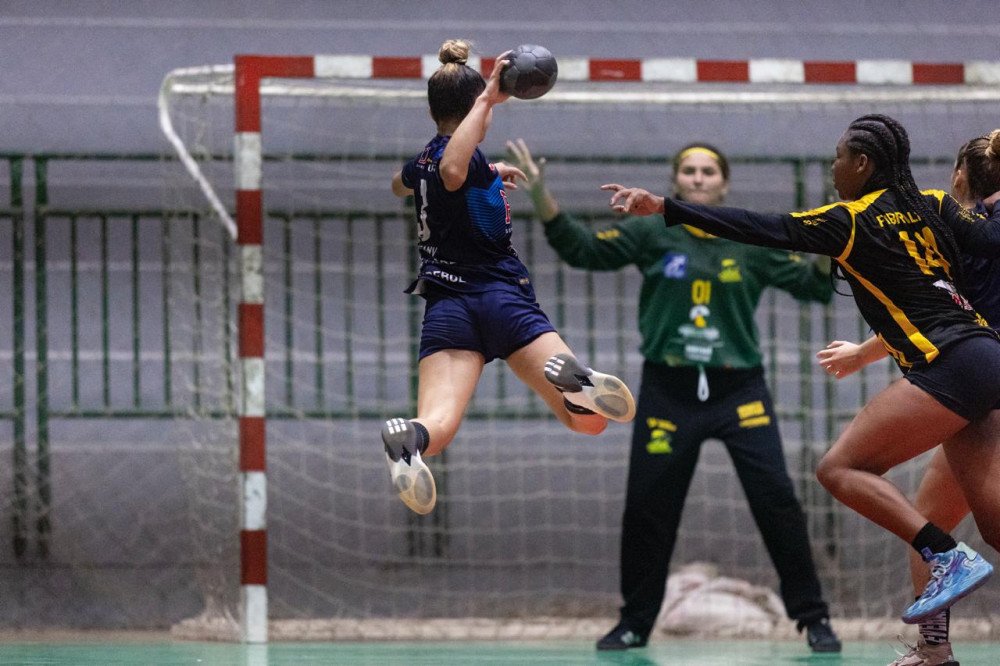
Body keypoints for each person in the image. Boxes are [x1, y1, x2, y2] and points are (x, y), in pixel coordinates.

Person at [602, 114, 1000, 633]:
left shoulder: (849, 220)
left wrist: (665, 206)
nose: (833, 167)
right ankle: (934, 644)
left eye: (838, 157)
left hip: (947, 364)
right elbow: (991, 238)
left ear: (862, 163)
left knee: (840, 469)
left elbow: (762, 227)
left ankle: (946, 555)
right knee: (992, 525)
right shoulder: (935, 204)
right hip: (988, 355)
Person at [506, 138, 841, 652]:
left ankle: (813, 619)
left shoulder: (748, 239)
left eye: (709, 171)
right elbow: (585, 250)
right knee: (648, 506)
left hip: (739, 391)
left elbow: (813, 288)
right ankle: (635, 621)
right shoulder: (650, 230)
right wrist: (542, 195)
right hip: (669, 390)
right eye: (690, 171)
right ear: (676, 181)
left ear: (724, 182)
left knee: (777, 500)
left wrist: (826, 249)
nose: (700, 178)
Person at [384, 39, 636, 516]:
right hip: (502, 299)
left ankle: (409, 441)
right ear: (480, 108)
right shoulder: (462, 158)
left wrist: (487, 172)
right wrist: (488, 100)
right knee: (590, 424)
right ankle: (577, 385)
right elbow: (455, 167)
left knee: (436, 428)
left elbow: (404, 182)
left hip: (447, 308)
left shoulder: (423, 163)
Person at [816, 129, 1000, 666]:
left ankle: (935, 650)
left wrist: (859, 355)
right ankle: (934, 650)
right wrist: (862, 354)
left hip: (980, 387)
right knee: (931, 522)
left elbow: (950, 318)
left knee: (974, 525)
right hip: (977, 384)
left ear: (959, 179)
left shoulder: (965, 234)